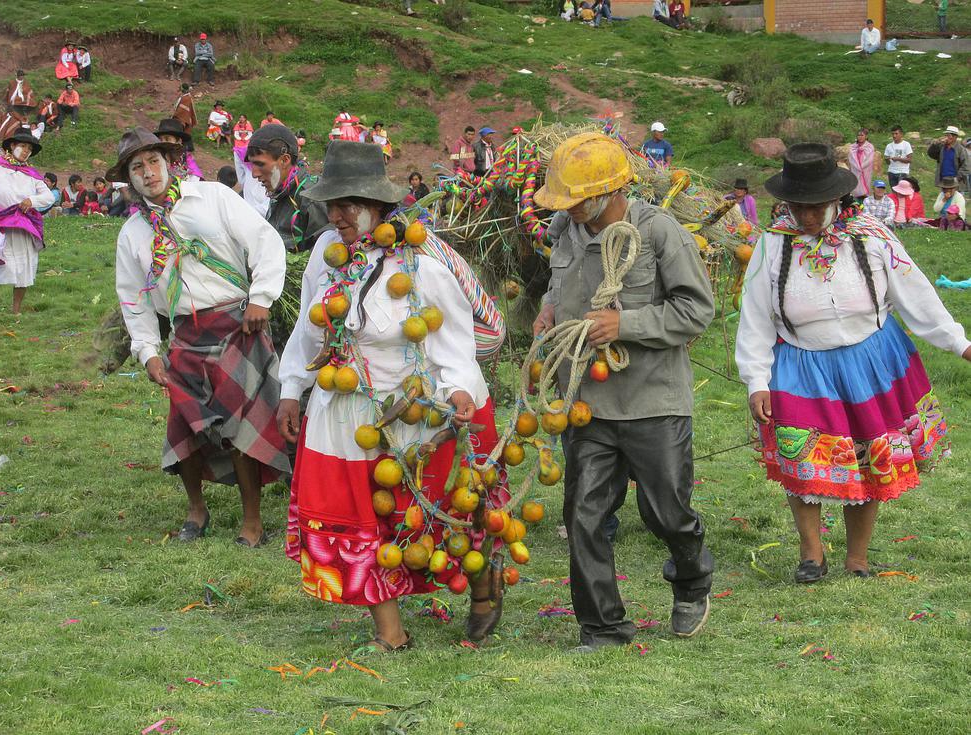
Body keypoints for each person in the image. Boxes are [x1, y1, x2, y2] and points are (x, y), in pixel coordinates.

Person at [277, 140, 511, 649]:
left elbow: (456, 340)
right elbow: (307, 326)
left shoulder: (421, 263)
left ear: (377, 207)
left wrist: (459, 392)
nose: (335, 215)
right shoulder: (326, 252)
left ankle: (483, 588)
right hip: (342, 414)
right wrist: (291, 386)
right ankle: (391, 632)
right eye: (330, 204)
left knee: (439, 512)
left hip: (412, 413)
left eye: (347, 205)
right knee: (358, 520)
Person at [736, 142, 971, 583]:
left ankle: (857, 557)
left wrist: (959, 342)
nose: (806, 217)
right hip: (801, 363)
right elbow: (754, 317)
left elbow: (915, 292)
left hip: (870, 361)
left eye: (816, 207)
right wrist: (756, 380)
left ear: (836, 199)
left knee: (868, 454)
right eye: (798, 207)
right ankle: (811, 553)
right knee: (800, 452)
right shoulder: (771, 245)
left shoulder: (872, 235)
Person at [532, 133, 716, 647]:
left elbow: (696, 310)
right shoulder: (565, 230)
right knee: (584, 516)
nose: (569, 211)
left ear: (608, 191)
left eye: (575, 200)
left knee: (667, 512)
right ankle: (603, 626)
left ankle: (691, 576)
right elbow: (560, 282)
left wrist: (625, 325)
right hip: (587, 404)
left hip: (652, 400)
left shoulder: (659, 233)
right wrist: (550, 308)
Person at [110, 127, 290, 547]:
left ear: (169, 163)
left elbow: (264, 242)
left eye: (153, 162)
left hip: (237, 325)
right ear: (130, 179)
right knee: (184, 429)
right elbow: (131, 300)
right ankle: (197, 510)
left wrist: (261, 298)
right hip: (185, 337)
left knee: (241, 426)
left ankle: (252, 520)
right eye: (137, 168)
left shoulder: (213, 198)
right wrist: (146, 351)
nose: (148, 173)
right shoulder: (133, 233)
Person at [0, 128, 52, 314]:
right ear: (12, 145)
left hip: (22, 226)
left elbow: (48, 197)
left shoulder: (32, 174)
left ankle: (16, 310)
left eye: (29, 149)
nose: (26, 151)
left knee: (24, 268)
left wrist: (31, 201)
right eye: (23, 146)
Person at [245, 124, 330, 252]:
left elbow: (320, 260)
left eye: (260, 164)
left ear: (284, 160)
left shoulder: (311, 199)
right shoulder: (279, 193)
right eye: (252, 164)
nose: (254, 173)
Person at [154, 117, 203, 182]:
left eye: (167, 139)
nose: (162, 142)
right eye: (160, 139)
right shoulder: (155, 157)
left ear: (179, 141)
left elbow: (196, 180)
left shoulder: (186, 159)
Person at [848, 129, 875, 200]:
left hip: (865, 170)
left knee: (866, 184)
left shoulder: (870, 146)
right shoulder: (852, 146)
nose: (860, 137)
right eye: (858, 135)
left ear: (866, 136)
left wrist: (861, 167)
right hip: (855, 170)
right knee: (856, 185)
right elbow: (851, 159)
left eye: (862, 135)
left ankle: (865, 199)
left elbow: (870, 159)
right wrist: (857, 167)